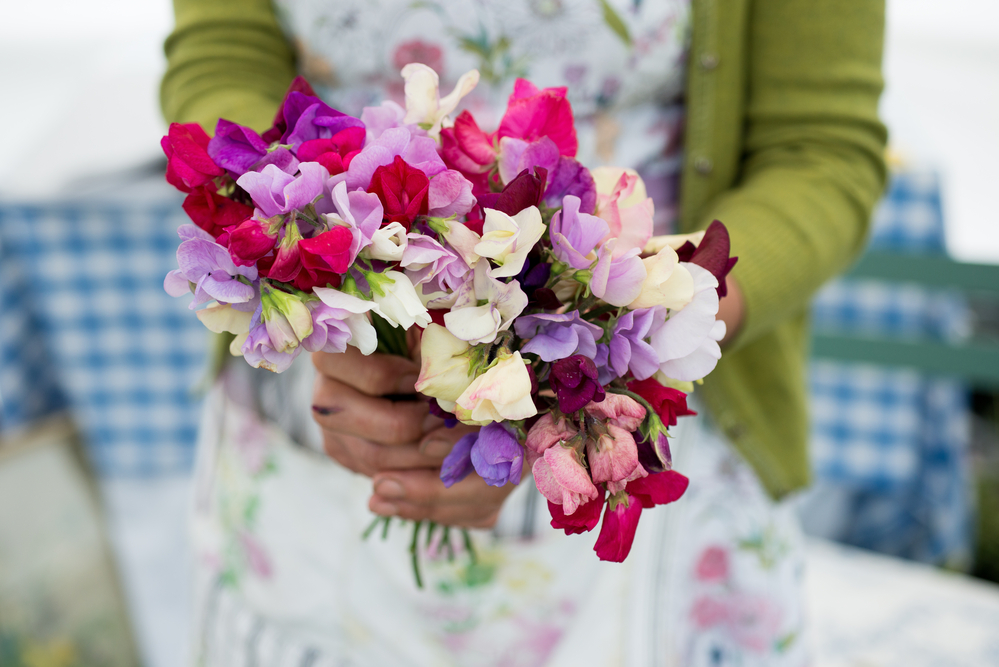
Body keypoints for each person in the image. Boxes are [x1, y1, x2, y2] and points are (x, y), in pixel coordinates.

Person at [162, 0, 887, 664]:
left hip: (622, 369)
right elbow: (225, 57)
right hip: (328, 363)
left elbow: (819, 151)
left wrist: (609, 332)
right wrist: (326, 275)